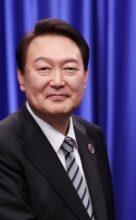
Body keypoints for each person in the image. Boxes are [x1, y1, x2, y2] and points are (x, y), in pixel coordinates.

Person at [0, 19, 115, 220]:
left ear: (85, 77)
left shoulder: (92, 135)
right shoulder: (4, 144)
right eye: (44, 69)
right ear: (21, 78)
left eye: (70, 69)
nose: (58, 81)